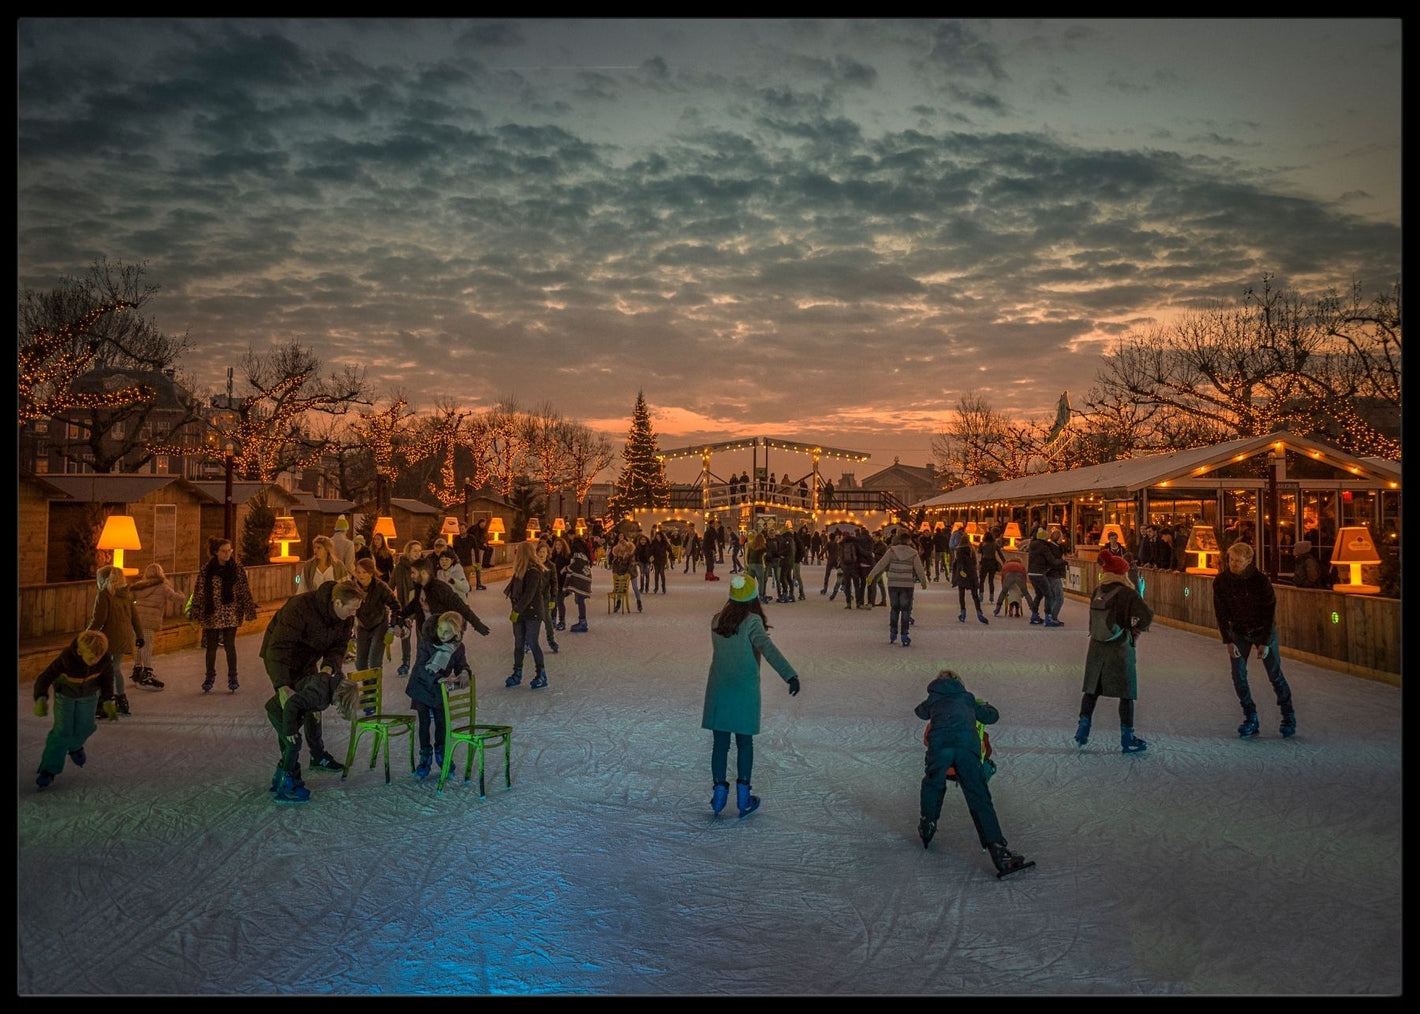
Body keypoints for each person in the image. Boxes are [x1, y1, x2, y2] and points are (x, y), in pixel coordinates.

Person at [914, 668, 1034, 878]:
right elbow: (992, 716)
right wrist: (984, 705)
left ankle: (928, 823)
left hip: (939, 747)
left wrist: (932, 703)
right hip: (965, 749)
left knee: (933, 784)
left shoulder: (933, 699)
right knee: (978, 796)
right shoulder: (967, 698)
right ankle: (998, 851)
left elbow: (919, 712)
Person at [700, 575, 802, 819]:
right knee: (744, 744)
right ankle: (743, 797)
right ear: (753, 597)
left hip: (719, 691)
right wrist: (790, 675)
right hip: (744, 691)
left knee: (720, 745)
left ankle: (719, 796)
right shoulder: (752, 622)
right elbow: (768, 649)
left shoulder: (717, 621)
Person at [261, 579, 365, 778]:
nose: (353, 615)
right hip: (281, 658)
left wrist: (327, 669)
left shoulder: (345, 618)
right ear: (337, 603)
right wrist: (282, 685)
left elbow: (338, 647)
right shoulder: (300, 607)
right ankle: (288, 766)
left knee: (314, 709)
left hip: (308, 659)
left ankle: (318, 755)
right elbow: (279, 647)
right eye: (351, 610)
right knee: (289, 710)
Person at [1213, 541, 1297, 739]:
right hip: (1238, 632)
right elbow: (1221, 612)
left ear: (1249, 560)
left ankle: (1288, 716)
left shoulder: (1260, 581)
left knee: (1274, 674)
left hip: (1262, 631)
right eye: (1231, 560)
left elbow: (1269, 612)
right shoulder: (1222, 581)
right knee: (1238, 674)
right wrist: (1228, 640)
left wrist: (1265, 642)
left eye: (1238, 561)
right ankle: (1250, 716)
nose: (1233, 564)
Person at [1076, 549, 1154, 753]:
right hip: (1119, 646)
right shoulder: (1127, 593)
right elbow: (1146, 616)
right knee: (1126, 692)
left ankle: (1082, 729)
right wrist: (1134, 630)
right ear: (1123, 573)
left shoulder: (1098, 591)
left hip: (1096, 646)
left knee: (1092, 689)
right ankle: (1127, 738)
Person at [32, 630, 115, 790]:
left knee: (87, 727)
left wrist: (108, 699)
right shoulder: (66, 659)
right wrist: (41, 698)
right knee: (62, 731)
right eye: (91, 658)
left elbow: (107, 678)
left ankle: (75, 746)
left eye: (99, 657)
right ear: (79, 651)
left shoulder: (103, 659)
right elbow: (44, 677)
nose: (95, 662)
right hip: (66, 696)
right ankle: (49, 770)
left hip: (89, 695)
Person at [407, 611, 472, 778]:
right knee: (424, 723)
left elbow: (461, 665)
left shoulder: (458, 648)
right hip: (422, 686)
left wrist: (464, 672)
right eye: (441, 630)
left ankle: (442, 755)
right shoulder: (427, 642)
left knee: (442, 723)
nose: (442, 635)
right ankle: (425, 756)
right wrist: (438, 678)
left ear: (456, 633)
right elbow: (420, 667)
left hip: (439, 690)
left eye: (447, 632)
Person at [189, 536, 259, 693]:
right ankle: (209, 676)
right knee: (211, 647)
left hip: (231, 612)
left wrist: (249, 611)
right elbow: (199, 591)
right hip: (212, 612)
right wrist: (196, 612)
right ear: (216, 552)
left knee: (230, 645)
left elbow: (243, 590)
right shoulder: (207, 570)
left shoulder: (237, 568)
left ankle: (233, 676)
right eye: (224, 551)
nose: (228, 554)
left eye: (230, 551)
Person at [87, 565, 144, 718]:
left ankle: (103, 703)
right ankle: (121, 700)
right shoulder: (126, 594)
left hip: (109, 638)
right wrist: (139, 636)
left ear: (103, 579)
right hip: (125, 637)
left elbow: (98, 620)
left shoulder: (104, 594)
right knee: (115, 668)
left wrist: (86, 635)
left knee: (102, 670)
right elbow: (135, 618)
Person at [128, 562, 187, 690]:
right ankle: (147, 672)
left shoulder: (139, 586)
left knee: (139, 645)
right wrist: (182, 594)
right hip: (149, 621)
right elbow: (177, 598)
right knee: (147, 647)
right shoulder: (163, 586)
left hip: (136, 620)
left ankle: (137, 670)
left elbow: (129, 600)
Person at [865, 530, 930, 646]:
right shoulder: (913, 553)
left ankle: (893, 633)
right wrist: (923, 581)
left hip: (893, 584)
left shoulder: (892, 551)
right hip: (907, 585)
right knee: (905, 610)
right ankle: (904, 635)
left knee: (894, 609)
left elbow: (881, 563)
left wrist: (871, 576)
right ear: (908, 541)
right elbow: (919, 569)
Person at [505, 539, 552, 689]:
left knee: (532, 642)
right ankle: (517, 672)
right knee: (518, 643)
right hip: (520, 611)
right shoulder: (519, 571)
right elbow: (514, 592)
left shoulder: (534, 571)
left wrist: (517, 610)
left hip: (532, 613)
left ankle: (541, 674)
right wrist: (516, 610)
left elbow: (529, 594)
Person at [351, 557, 399, 674]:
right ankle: (368, 688)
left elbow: (395, 605)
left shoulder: (380, 587)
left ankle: (374, 689)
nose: (361, 575)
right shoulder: (352, 588)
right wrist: (349, 636)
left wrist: (392, 627)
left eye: (364, 572)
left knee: (374, 661)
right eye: (358, 572)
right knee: (360, 663)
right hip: (362, 625)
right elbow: (348, 612)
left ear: (371, 573)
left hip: (379, 624)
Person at [391, 540, 424, 676]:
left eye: (419, 550)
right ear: (408, 551)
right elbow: (391, 584)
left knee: (421, 635)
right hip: (405, 604)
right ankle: (406, 662)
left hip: (421, 605)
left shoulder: (423, 567)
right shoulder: (399, 568)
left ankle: (421, 662)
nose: (417, 553)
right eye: (414, 550)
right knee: (405, 634)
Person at [950, 538, 989, 625]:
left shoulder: (958, 551)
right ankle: (979, 612)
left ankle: (963, 612)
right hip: (971, 574)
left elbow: (956, 564)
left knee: (961, 594)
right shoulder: (971, 551)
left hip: (962, 574)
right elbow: (975, 563)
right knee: (975, 595)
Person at [563, 535, 594, 632]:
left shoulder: (578, 555)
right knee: (580, 600)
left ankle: (582, 622)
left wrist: (566, 568)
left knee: (580, 600)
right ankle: (582, 621)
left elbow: (576, 565)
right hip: (585, 578)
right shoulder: (584, 555)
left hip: (581, 580)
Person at [609, 534, 643, 612]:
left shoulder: (630, 554)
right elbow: (615, 566)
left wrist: (627, 574)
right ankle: (618, 603)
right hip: (621, 573)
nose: (622, 547)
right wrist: (615, 573)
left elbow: (631, 564)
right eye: (620, 546)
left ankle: (639, 602)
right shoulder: (617, 556)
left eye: (623, 545)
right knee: (620, 587)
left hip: (631, 573)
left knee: (635, 587)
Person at [977, 529, 1005, 605]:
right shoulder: (995, 544)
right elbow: (1000, 554)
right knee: (991, 580)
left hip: (984, 562)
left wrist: (979, 564)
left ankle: (981, 595)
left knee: (982, 580)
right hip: (992, 562)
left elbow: (979, 555)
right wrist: (1004, 561)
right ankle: (991, 596)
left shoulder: (982, 544)